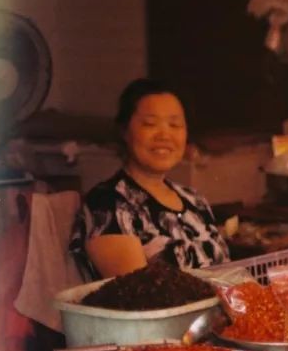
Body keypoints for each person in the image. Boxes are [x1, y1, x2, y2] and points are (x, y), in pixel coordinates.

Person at [70, 79, 229, 279]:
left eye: (175, 124)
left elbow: (228, 274)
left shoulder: (195, 200)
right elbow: (138, 293)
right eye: (150, 124)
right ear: (124, 131)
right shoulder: (107, 203)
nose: (164, 135)